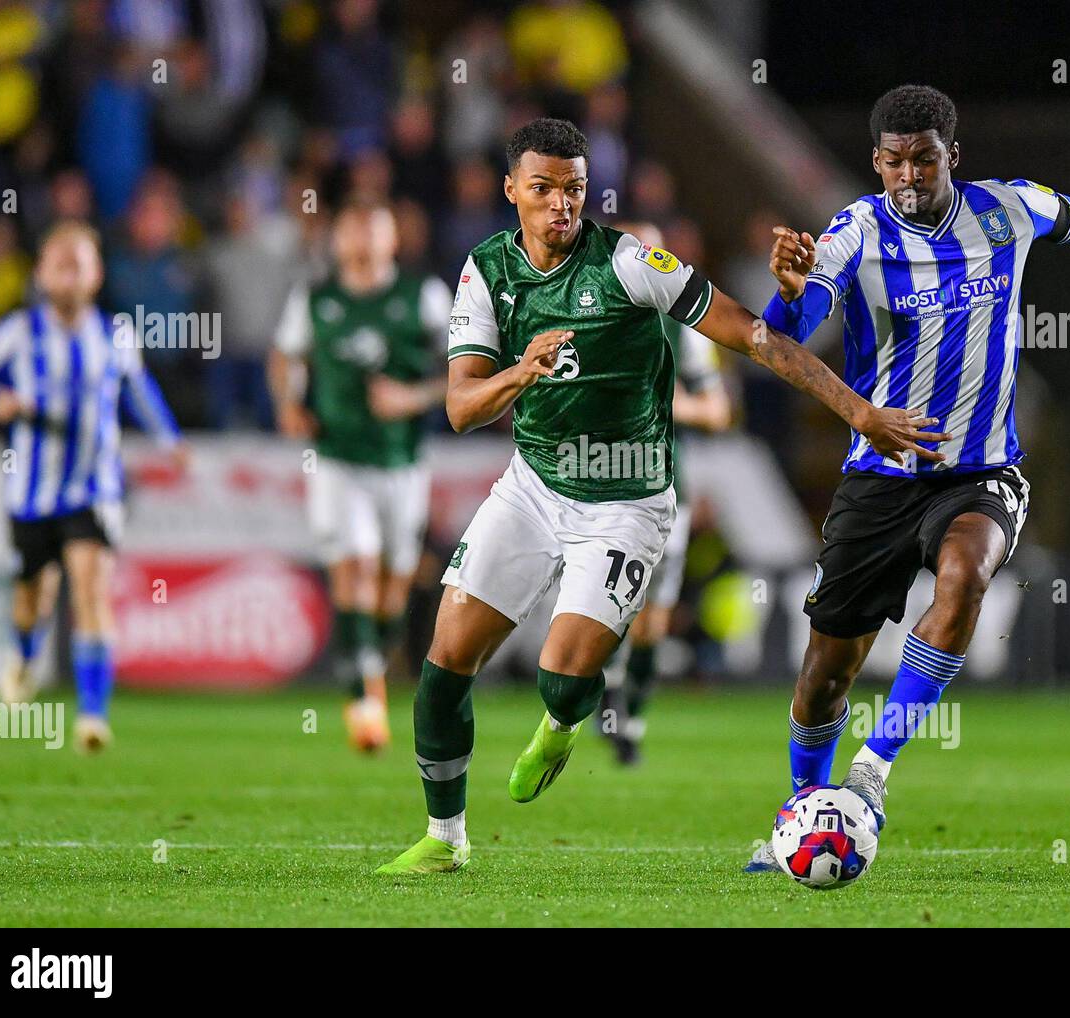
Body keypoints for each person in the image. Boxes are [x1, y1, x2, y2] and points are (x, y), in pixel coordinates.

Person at [381, 118, 948, 875]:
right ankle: (444, 840)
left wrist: (858, 412)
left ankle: (561, 722)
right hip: (532, 487)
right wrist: (521, 371)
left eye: (574, 189)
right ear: (511, 188)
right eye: (543, 188)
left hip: (627, 504)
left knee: (563, 677)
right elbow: (459, 408)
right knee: (443, 667)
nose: (560, 204)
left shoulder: (629, 262)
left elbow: (751, 335)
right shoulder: (485, 271)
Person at [746, 84, 1070, 870]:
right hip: (880, 475)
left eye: (925, 160)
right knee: (824, 677)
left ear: (952, 157)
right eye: (895, 162)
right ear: (876, 163)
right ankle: (801, 805)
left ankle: (871, 774)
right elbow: (787, 334)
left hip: (981, 472)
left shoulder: (1010, 209)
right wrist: (792, 291)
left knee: (966, 573)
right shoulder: (853, 234)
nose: (910, 175)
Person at [0, 221, 187, 752]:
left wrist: (169, 439)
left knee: (90, 587)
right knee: (32, 598)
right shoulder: (19, 331)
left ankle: (92, 715)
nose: (68, 271)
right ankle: (23, 654)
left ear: (95, 274)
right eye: (58, 261)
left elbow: (140, 390)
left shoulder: (115, 336)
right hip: (32, 494)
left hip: (95, 489)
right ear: (41, 272)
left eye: (78, 261)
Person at [270, 197, 451, 752]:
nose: (362, 241)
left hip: (401, 462)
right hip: (336, 456)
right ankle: (364, 700)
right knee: (356, 567)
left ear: (393, 239)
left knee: (394, 588)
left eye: (374, 230)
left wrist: (413, 396)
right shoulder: (316, 298)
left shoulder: (423, 295)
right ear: (337, 239)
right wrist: (288, 403)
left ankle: (373, 667)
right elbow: (284, 356)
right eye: (351, 229)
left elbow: (472, 366)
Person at [600, 220, 732, 765]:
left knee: (653, 612)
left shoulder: (687, 327)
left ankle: (630, 718)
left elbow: (718, 410)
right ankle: (604, 697)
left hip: (663, 488)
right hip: (598, 487)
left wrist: (667, 402)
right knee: (605, 604)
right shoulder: (588, 317)